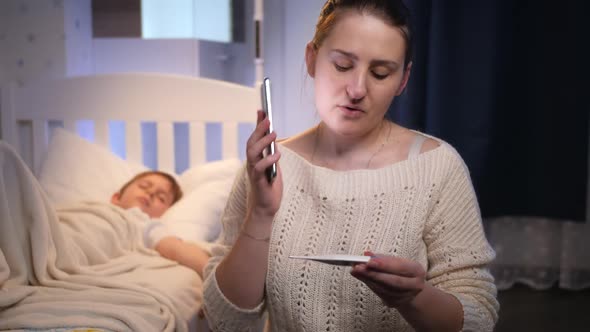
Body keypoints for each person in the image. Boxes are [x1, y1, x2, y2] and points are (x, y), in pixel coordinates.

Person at [202, 0, 499, 331]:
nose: (357, 89)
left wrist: (414, 297)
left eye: (380, 73)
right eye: (343, 65)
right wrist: (260, 216)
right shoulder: (269, 168)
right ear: (312, 59)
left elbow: (479, 318)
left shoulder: (437, 167)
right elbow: (224, 319)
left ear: (403, 80)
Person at [110, 170, 210, 278]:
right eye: (144, 186)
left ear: (164, 214)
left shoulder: (144, 223)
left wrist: (215, 274)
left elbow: (175, 248)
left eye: (161, 198)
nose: (151, 192)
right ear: (116, 198)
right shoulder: (97, 208)